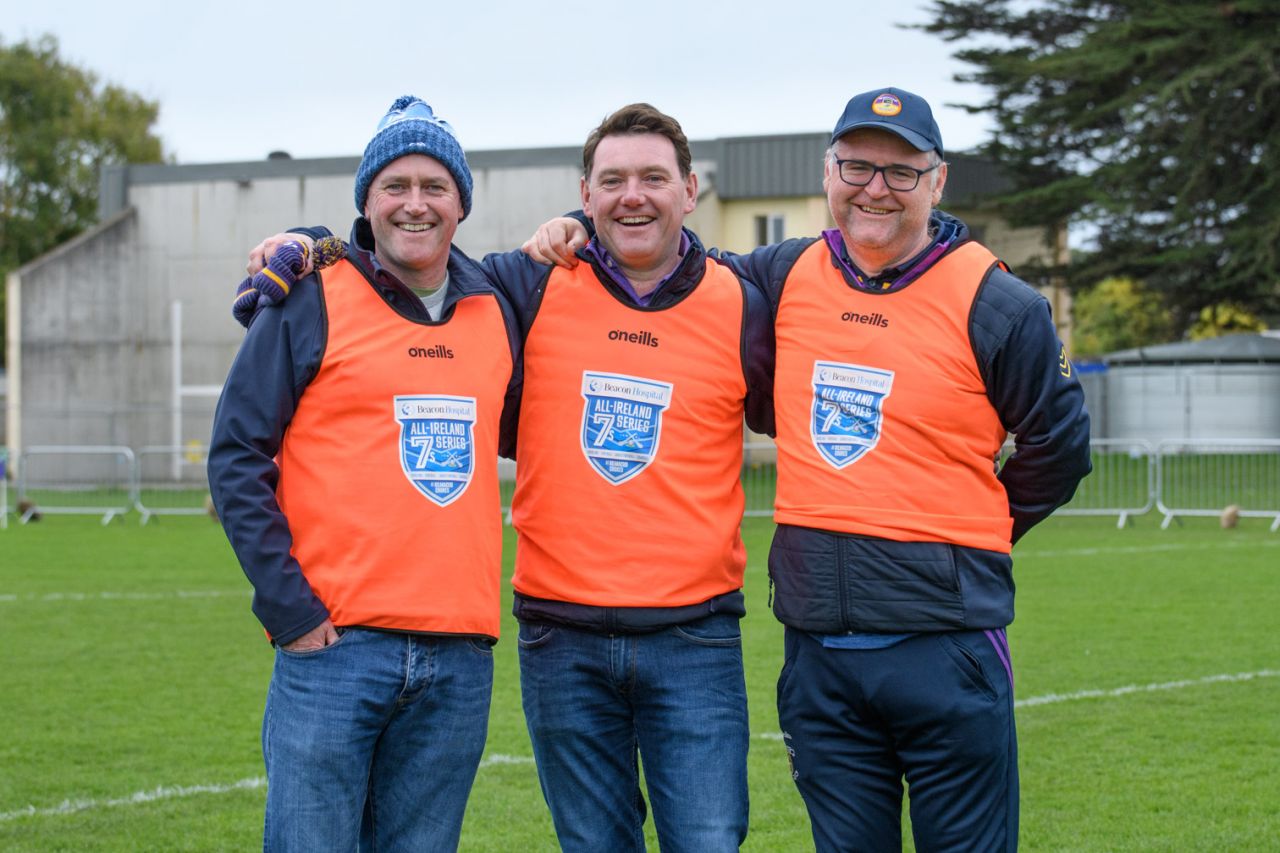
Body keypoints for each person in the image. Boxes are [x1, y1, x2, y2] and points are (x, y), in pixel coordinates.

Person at [526, 87, 1092, 852]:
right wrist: (572, 230)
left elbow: (1060, 447)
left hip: (947, 648)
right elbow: (666, 263)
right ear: (828, 173)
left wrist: (972, 537)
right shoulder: (780, 275)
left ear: (938, 180)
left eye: (901, 171)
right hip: (820, 657)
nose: (875, 189)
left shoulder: (999, 301)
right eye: (857, 167)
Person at [238, 104, 773, 852]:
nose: (633, 195)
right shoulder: (521, 288)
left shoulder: (743, 297)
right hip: (560, 636)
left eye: (654, 178)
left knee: (711, 839)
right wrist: (310, 241)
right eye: (611, 180)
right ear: (583, 195)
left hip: (694, 636)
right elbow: (399, 262)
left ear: (691, 189)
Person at [208, 96, 521, 852]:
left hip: (458, 657)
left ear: (462, 203)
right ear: (366, 201)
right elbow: (236, 454)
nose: (415, 204)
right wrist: (291, 611)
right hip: (334, 648)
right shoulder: (309, 295)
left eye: (435, 186)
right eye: (395, 185)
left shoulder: (499, 307)